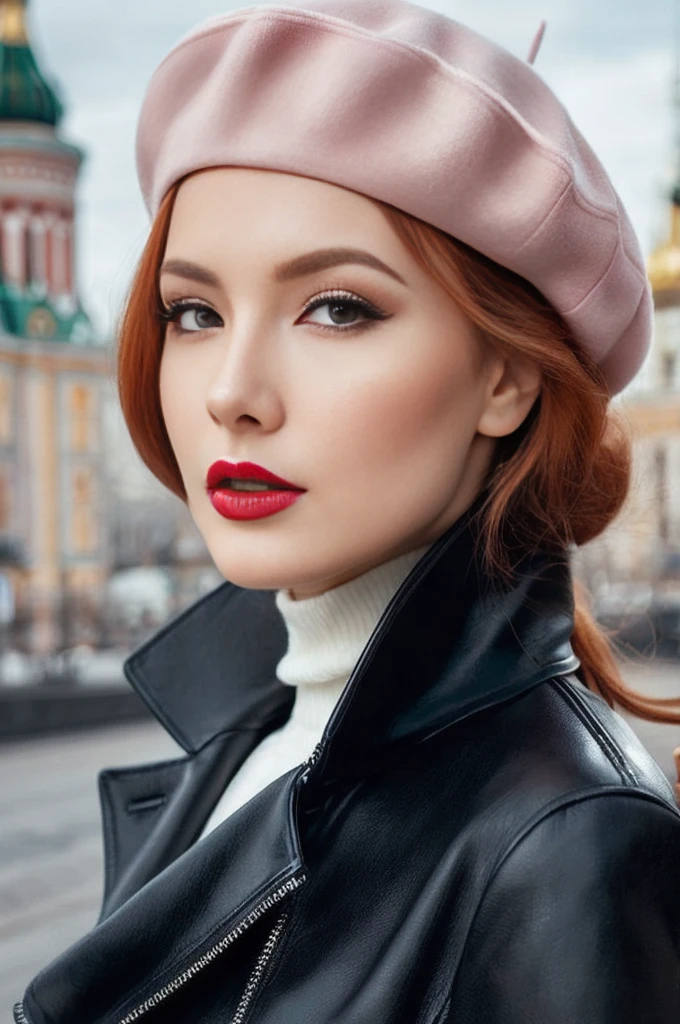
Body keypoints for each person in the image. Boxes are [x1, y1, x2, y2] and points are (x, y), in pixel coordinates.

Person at [14, 1, 680, 1022]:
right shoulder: (248, 733)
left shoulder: (567, 846)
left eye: (335, 307)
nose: (230, 391)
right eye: (194, 312)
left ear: (504, 376)